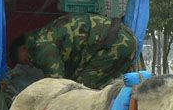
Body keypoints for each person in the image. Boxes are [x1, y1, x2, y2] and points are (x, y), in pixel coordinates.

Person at [10, 13, 138, 89]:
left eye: (25, 60)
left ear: (23, 48)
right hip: (123, 38)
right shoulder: (43, 35)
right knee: (110, 89)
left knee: (80, 90)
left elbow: (57, 83)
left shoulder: (41, 48)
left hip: (114, 43)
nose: (29, 64)